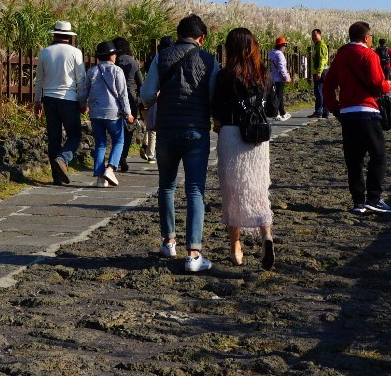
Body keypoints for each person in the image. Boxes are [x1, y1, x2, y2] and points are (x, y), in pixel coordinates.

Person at [140, 14, 220, 272]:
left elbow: (147, 95)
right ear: (202, 38)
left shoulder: (161, 57)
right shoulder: (210, 61)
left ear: (178, 34)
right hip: (196, 131)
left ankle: (168, 241)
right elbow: (213, 98)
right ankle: (194, 254)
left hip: (166, 130)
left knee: (167, 187)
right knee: (195, 190)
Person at [212, 27, 277, 268]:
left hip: (231, 132)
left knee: (232, 192)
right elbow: (272, 109)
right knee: (258, 188)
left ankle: (236, 247)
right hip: (257, 138)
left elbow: (216, 110)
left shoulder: (224, 75)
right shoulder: (264, 74)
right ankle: (266, 235)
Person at [323, 20, 391, 215]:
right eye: (370, 37)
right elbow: (377, 83)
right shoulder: (368, 55)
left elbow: (328, 84)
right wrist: (388, 85)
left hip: (347, 113)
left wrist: (335, 108)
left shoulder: (341, 55)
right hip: (367, 111)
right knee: (378, 155)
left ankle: (358, 201)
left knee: (354, 159)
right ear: (366, 37)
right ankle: (374, 198)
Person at [36, 20, 87, 184]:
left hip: (49, 99)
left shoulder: (44, 53)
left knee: (54, 137)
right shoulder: (75, 52)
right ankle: (63, 159)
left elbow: (39, 81)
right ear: (69, 36)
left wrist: (37, 101)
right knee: (75, 134)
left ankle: (56, 176)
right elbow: (81, 80)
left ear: (55, 34)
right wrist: (83, 101)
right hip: (69, 99)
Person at [84, 43, 132, 187]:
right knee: (118, 141)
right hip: (113, 113)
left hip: (95, 112)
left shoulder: (92, 71)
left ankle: (100, 178)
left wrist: (82, 104)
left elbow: (84, 90)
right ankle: (110, 169)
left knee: (100, 143)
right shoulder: (117, 71)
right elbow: (123, 94)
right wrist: (128, 113)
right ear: (112, 56)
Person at [112, 36, 145, 171]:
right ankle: (123, 156)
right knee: (129, 129)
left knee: (114, 128)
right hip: (130, 98)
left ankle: (115, 155)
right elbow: (141, 83)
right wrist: (142, 102)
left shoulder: (113, 61)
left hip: (114, 98)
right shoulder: (133, 62)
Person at [266, 36, 291, 120]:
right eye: (285, 45)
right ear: (282, 45)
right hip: (279, 78)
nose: (285, 47)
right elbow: (281, 67)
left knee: (277, 96)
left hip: (273, 77)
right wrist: (286, 76)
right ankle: (276, 114)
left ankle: (282, 112)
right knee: (278, 96)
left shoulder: (271, 53)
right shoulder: (280, 54)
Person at [308, 28, 330, 118]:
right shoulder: (317, 45)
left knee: (319, 92)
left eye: (315, 35)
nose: (313, 37)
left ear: (320, 35)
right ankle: (325, 112)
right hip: (320, 70)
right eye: (312, 35)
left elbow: (322, 59)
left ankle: (318, 111)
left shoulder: (320, 45)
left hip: (320, 71)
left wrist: (319, 72)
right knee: (322, 91)